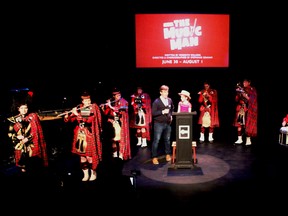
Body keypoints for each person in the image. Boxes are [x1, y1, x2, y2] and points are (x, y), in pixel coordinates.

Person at [64, 91, 102, 181]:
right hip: (80, 135)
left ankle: (93, 173)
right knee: (82, 157)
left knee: (89, 157)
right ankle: (85, 174)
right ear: (82, 101)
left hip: (88, 135)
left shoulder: (92, 108)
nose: (88, 102)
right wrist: (67, 116)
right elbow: (71, 119)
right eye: (86, 101)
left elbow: (87, 120)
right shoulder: (80, 107)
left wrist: (77, 114)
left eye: (89, 100)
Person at [7, 91, 49, 173]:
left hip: (31, 146)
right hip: (20, 146)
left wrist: (28, 138)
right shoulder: (13, 120)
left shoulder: (32, 117)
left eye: (26, 108)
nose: (24, 110)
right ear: (18, 108)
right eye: (22, 108)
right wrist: (16, 137)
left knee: (32, 166)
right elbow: (9, 133)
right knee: (22, 167)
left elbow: (35, 132)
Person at [101, 88, 131, 160]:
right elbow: (106, 113)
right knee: (113, 139)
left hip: (120, 122)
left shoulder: (124, 101)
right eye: (117, 96)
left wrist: (110, 106)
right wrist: (104, 108)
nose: (118, 97)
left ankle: (121, 154)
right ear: (114, 96)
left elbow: (120, 109)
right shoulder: (111, 102)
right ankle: (114, 154)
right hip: (112, 123)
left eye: (119, 95)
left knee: (121, 139)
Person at [151, 85, 174, 165]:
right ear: (160, 92)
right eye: (164, 92)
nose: (166, 93)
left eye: (167, 91)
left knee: (167, 140)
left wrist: (171, 115)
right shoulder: (156, 102)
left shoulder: (169, 100)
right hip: (158, 124)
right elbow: (153, 113)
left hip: (167, 123)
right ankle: (154, 157)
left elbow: (171, 109)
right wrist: (162, 112)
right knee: (156, 140)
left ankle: (168, 154)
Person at [233, 79, 258, 145]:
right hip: (241, 108)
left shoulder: (252, 90)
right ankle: (239, 139)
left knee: (248, 125)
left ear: (249, 82)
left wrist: (245, 96)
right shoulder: (241, 89)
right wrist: (238, 94)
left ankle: (248, 140)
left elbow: (253, 100)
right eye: (243, 81)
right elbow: (236, 100)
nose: (244, 83)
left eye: (246, 82)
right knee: (239, 124)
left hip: (248, 110)